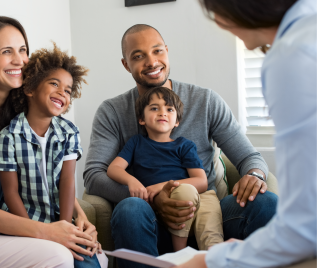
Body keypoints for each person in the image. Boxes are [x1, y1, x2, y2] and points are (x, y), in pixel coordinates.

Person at [84, 23, 277, 268]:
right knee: (130, 209)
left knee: (267, 202)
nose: (152, 62)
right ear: (126, 64)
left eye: (157, 51)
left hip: (207, 213)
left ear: (167, 51)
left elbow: (250, 157)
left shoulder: (205, 101)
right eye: (138, 56)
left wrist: (255, 174)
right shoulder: (112, 111)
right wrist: (151, 198)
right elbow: (93, 175)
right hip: (146, 217)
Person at [0, 16, 105, 268]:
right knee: (58, 256)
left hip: (4, 226)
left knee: (96, 256)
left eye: (23, 50)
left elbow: (51, 179)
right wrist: (47, 232)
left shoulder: (18, 112)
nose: (19, 60)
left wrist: (78, 220)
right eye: (7, 51)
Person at [174, 0, 317, 267]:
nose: (217, 22)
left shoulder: (291, 57)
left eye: (216, 10)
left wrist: (210, 260)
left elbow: (304, 229)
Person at [0, 43, 107, 267]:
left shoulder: (69, 133)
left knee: (87, 262)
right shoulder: (8, 137)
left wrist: (65, 229)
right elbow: (10, 193)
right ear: (30, 89)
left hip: (60, 221)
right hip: (23, 223)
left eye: (67, 90)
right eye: (54, 84)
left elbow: (67, 184)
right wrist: (33, 233)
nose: (61, 92)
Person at [107, 86, 223, 252]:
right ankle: (179, 255)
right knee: (183, 193)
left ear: (176, 121)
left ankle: (213, 258)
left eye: (169, 109)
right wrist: (131, 181)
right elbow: (114, 168)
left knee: (208, 221)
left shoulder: (184, 145)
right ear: (142, 119)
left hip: (198, 197)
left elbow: (201, 181)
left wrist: (159, 186)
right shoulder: (136, 143)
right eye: (154, 108)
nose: (162, 113)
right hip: (161, 207)